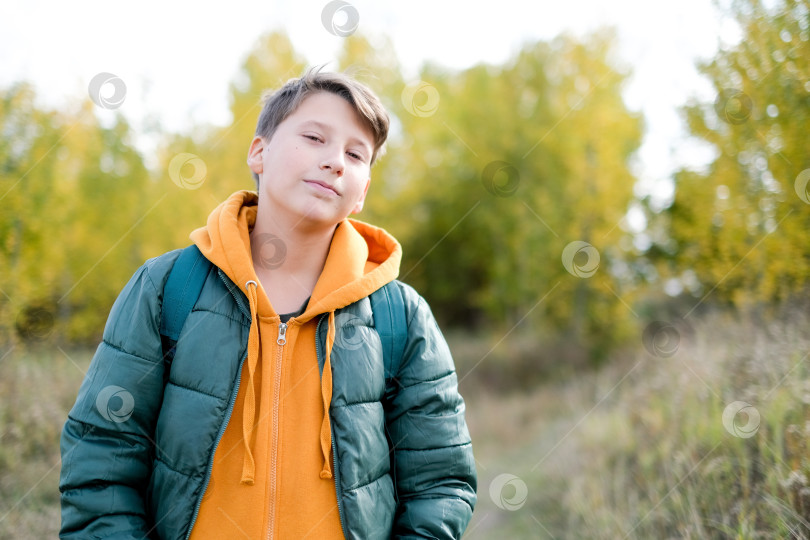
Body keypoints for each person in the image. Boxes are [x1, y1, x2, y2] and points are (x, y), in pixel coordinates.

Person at [59, 68, 477, 539]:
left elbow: (440, 485)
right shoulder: (168, 289)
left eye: (355, 154)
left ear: (362, 192)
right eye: (315, 137)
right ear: (259, 151)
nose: (335, 161)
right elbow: (102, 457)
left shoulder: (398, 316)